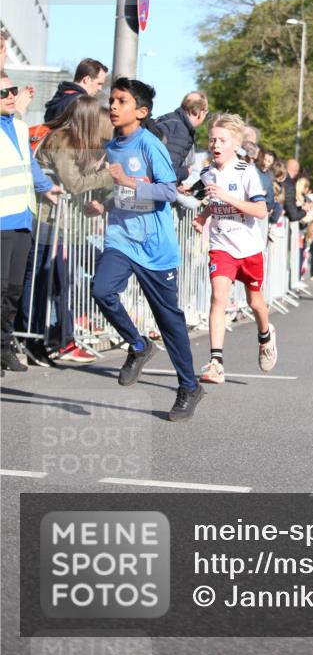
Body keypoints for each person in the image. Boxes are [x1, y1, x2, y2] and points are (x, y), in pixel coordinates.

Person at [90, 78, 203, 422]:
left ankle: (189, 386)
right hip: (122, 239)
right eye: (112, 100)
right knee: (101, 290)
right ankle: (138, 345)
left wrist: (128, 182)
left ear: (140, 112)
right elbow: (122, 194)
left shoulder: (150, 145)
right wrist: (105, 204)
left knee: (169, 322)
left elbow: (168, 193)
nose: (113, 106)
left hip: (155, 247)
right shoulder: (112, 147)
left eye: (121, 101)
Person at [19, 96, 113, 365]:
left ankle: (45, 339)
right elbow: (73, 183)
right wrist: (108, 174)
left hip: (59, 224)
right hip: (46, 221)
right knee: (39, 283)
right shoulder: (62, 140)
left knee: (55, 283)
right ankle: (33, 339)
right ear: (87, 119)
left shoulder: (75, 142)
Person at [194, 112, 277, 386]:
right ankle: (216, 362)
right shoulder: (207, 174)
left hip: (249, 248)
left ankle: (265, 336)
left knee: (255, 303)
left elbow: (261, 210)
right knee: (218, 298)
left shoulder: (247, 173)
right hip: (222, 247)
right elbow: (211, 200)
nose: (215, 145)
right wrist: (204, 216)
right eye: (212, 139)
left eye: (222, 140)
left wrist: (227, 196)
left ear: (236, 145)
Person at [1, 71, 62, 373]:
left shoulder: (21, 127)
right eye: (4, 93)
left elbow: (30, 164)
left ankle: (3, 346)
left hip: (24, 217)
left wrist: (46, 188)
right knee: (0, 289)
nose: (11, 96)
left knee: (13, 290)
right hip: (1, 220)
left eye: (12, 90)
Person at [155, 91, 209, 186]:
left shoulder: (168, 119)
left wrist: (178, 186)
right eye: (206, 112)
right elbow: (168, 174)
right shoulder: (180, 131)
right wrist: (186, 172)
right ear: (200, 112)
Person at [44, 58, 109, 122]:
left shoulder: (59, 97)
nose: (100, 88)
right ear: (87, 79)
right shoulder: (81, 103)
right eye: (99, 83)